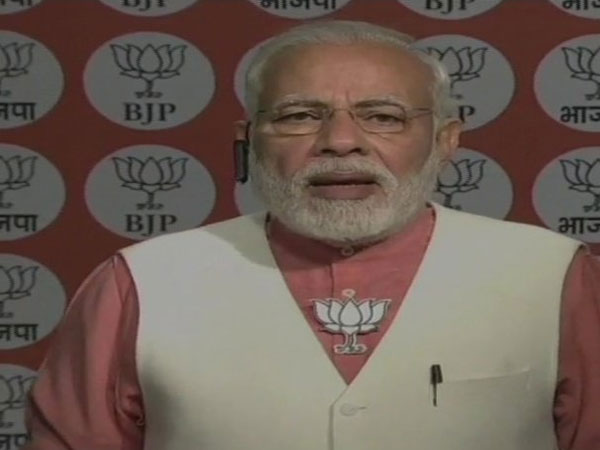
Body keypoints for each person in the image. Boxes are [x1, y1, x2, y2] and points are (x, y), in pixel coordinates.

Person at [24, 20, 599, 450]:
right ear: (249, 139)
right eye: (299, 115)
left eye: (383, 116)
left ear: (446, 141)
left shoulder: (553, 275)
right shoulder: (140, 283)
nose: (341, 142)